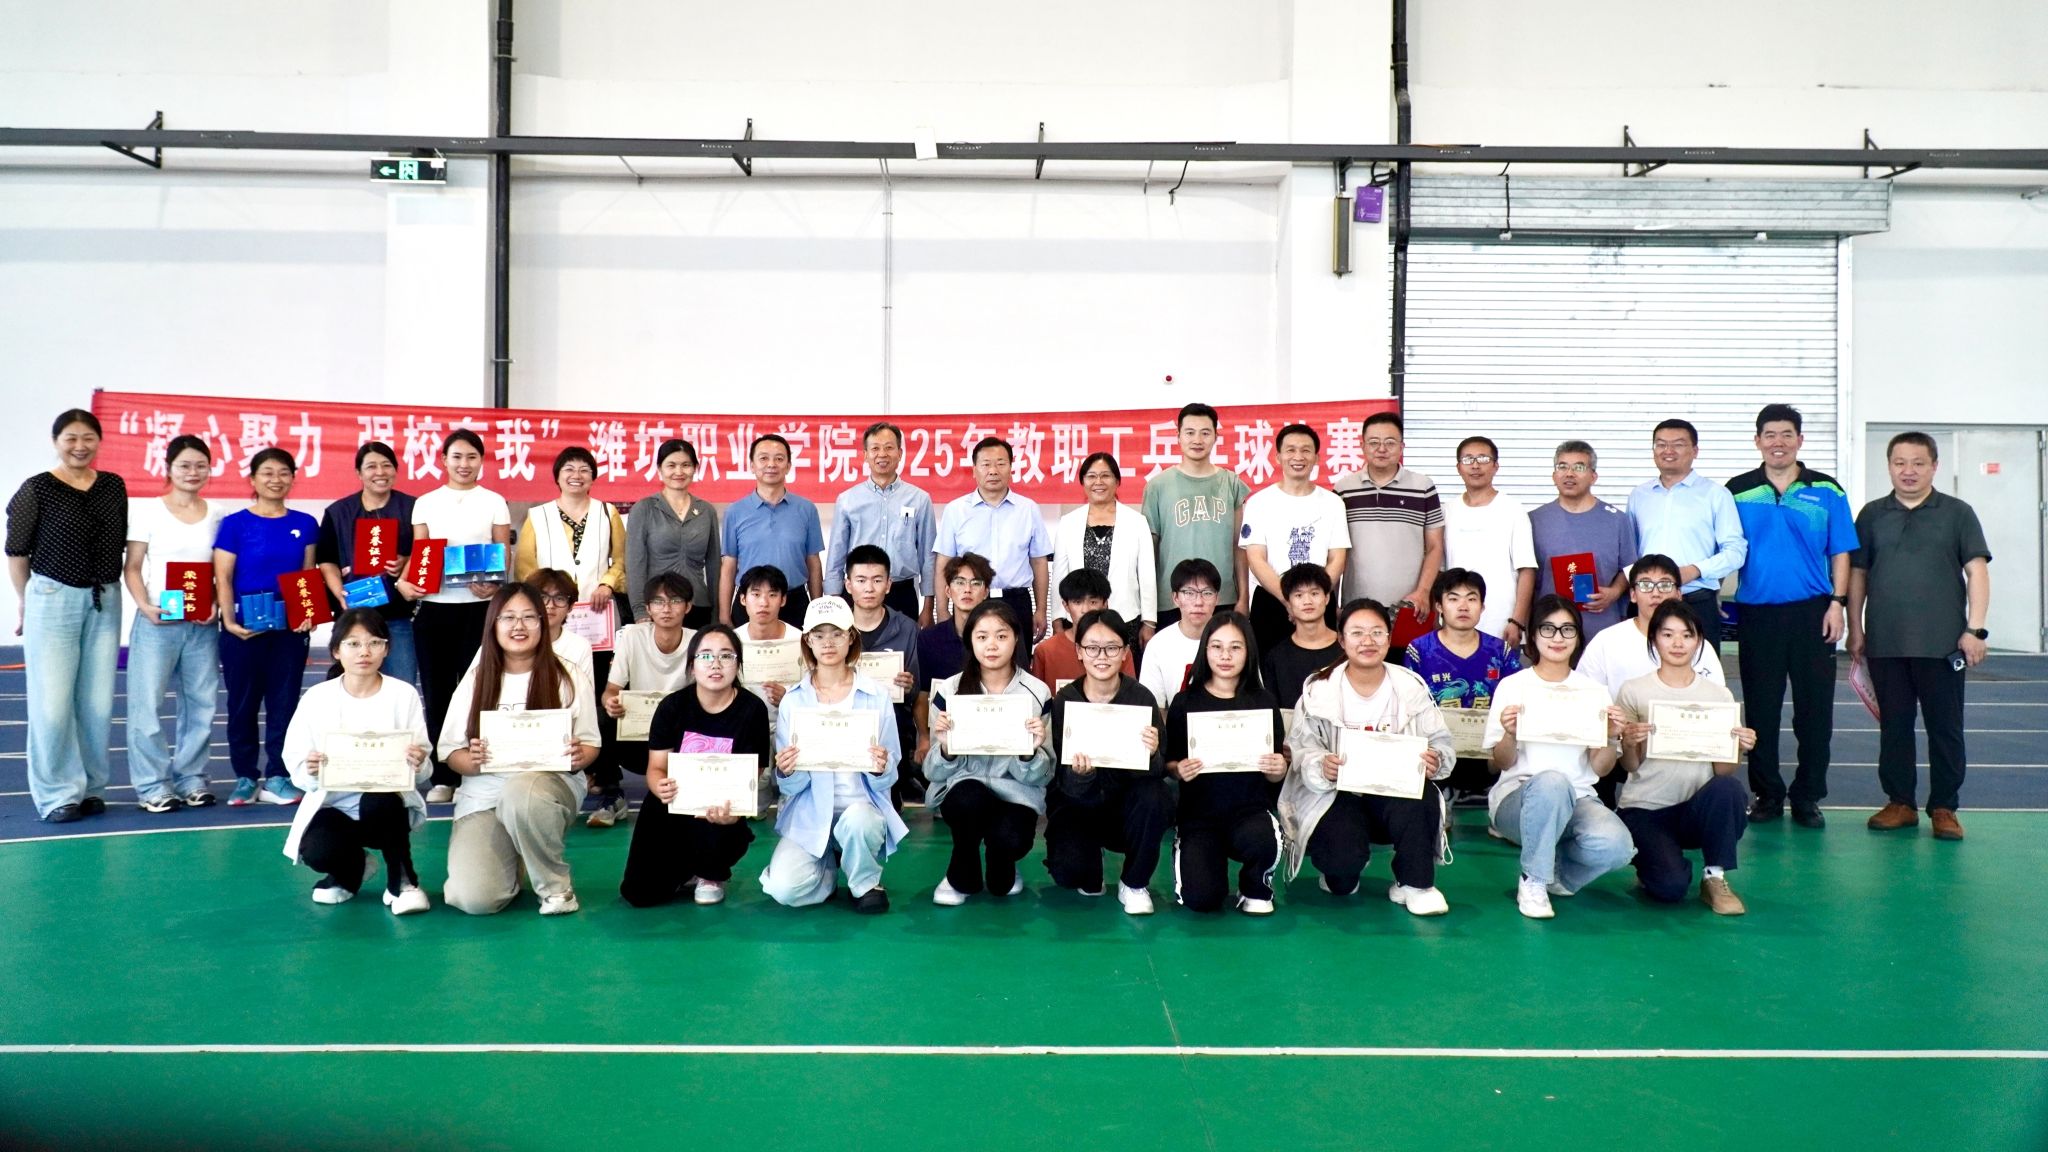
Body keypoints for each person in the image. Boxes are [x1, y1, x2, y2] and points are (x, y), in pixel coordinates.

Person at [1849, 431, 1992, 842]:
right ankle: (1900, 803)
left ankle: (1944, 807)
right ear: (1889, 466)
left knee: (1945, 728)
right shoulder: (1871, 515)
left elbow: (1977, 571)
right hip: (1885, 643)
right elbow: (1858, 573)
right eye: (1899, 463)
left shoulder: (1958, 513)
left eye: (1917, 463)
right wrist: (1855, 628)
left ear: (1934, 466)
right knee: (1894, 727)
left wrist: (1975, 629)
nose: (1908, 471)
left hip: (1944, 645)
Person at [1726, 404, 1859, 828]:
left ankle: (1807, 796)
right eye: (1770, 435)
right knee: (1761, 711)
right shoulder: (1737, 491)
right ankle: (1766, 794)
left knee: (1814, 712)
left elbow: (1841, 551)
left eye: (1786, 434)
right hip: (1757, 615)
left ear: (1800, 440)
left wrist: (1837, 603)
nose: (1778, 443)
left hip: (1813, 613)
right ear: (1757, 441)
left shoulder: (1827, 489)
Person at [1280, 598, 1455, 916]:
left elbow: (1441, 743)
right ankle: (1344, 868)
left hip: (1393, 794)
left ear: (1388, 639)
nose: (1368, 641)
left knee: (1423, 795)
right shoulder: (1318, 690)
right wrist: (1321, 765)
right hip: (1336, 795)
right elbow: (1302, 749)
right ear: (1341, 639)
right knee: (1342, 879)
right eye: (1357, 633)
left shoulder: (1409, 687)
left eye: (1377, 632)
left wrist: (1436, 759)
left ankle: (1415, 883)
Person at [437, 583, 602, 915]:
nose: (519, 626)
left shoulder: (568, 676)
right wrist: (472, 761)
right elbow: (451, 752)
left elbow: (590, 744)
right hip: (485, 794)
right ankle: (518, 854)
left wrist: (578, 756)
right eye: (508, 617)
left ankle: (556, 888)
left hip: (547, 788)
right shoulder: (476, 679)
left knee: (521, 791)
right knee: (474, 900)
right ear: (493, 624)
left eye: (529, 617)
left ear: (542, 623)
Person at [7, 409, 127, 823]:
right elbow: (17, 552)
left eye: (88, 438)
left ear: (99, 441)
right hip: (53, 597)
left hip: (105, 599)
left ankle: (91, 787)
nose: (80, 446)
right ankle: (57, 794)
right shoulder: (36, 488)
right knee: (53, 703)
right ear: (56, 441)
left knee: (96, 703)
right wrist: (27, 601)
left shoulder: (113, 485)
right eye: (71, 438)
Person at [1483, 595, 1635, 920]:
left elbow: (1600, 768)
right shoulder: (1512, 686)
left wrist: (1611, 736)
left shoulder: (1594, 691)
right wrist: (1510, 733)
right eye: (1548, 628)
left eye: (1567, 629)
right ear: (1533, 635)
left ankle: (1558, 876)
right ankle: (1533, 881)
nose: (1557, 638)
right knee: (1552, 782)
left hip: (1578, 799)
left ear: (1578, 637)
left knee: (1618, 847)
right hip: (1518, 800)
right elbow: (1498, 763)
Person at [279, 610, 434, 914]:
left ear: (386, 649)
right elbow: (295, 759)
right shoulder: (317, 698)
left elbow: (423, 763)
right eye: (353, 644)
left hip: (387, 808)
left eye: (374, 642)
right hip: (333, 805)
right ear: (336, 651)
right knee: (317, 850)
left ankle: (403, 881)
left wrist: (418, 763)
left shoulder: (403, 695)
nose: (365, 652)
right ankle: (352, 870)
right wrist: (310, 769)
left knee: (381, 801)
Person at [760, 596, 907, 913]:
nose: (828, 643)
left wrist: (880, 768)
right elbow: (789, 787)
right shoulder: (793, 701)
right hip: (810, 813)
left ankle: (864, 882)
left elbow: (891, 773)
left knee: (859, 821)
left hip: (860, 809)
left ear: (851, 637)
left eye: (837, 633)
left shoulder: (876, 695)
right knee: (784, 889)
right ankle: (828, 869)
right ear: (808, 641)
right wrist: (787, 770)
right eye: (819, 635)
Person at [1615, 600, 1758, 915]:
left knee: (1729, 789)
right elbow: (1630, 766)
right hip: (1646, 808)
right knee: (1670, 888)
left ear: (1699, 640)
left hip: (1694, 809)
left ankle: (1714, 876)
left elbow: (1723, 771)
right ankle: (1651, 863)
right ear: (1654, 639)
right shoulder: (1633, 690)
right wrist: (1630, 741)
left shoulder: (1718, 695)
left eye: (1687, 635)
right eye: (1668, 635)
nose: (1677, 643)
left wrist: (1738, 745)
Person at [619, 625, 766, 908]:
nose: (716, 664)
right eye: (705, 656)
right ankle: (684, 869)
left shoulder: (752, 709)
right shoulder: (672, 707)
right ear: (691, 665)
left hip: (721, 812)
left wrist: (733, 814)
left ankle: (711, 874)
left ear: (738, 664)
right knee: (639, 893)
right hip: (675, 803)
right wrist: (659, 787)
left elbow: (752, 775)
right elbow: (656, 768)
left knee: (719, 828)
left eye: (726, 655)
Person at [924, 599, 1054, 905]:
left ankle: (1002, 857)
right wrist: (946, 748)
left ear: (1016, 638)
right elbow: (932, 771)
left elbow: (1044, 776)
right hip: (963, 789)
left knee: (1003, 874)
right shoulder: (949, 691)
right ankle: (962, 863)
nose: (992, 645)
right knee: (968, 798)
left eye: (1001, 635)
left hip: (1016, 792)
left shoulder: (1037, 693)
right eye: (982, 636)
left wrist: (1029, 753)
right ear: (970, 640)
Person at [121, 433, 223, 812]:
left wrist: (216, 602)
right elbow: (132, 567)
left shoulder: (218, 514)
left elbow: (222, 570)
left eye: (200, 466)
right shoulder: (148, 511)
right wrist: (145, 606)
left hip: (202, 623)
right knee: (146, 705)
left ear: (210, 469)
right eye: (184, 465)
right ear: (168, 468)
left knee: (201, 704)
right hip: (157, 622)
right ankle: (152, 786)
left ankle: (192, 779)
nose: (192, 472)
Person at [1044, 609, 1170, 915]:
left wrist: (1152, 754)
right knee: (1072, 875)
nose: (1102, 656)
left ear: (1125, 652)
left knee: (1156, 797)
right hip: (1080, 806)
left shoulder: (1141, 698)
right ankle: (1090, 858)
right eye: (1092, 648)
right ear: (1079, 651)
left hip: (1125, 807)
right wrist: (1080, 775)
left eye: (1112, 648)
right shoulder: (1065, 700)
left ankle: (1134, 882)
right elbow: (1060, 779)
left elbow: (1159, 769)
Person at [412, 429, 513, 803]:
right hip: (435, 610)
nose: (464, 464)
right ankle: (444, 776)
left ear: (481, 461)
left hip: (480, 611)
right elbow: (422, 555)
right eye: (457, 456)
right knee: (437, 693)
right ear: (443, 460)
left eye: (472, 457)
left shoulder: (494, 501)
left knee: (481, 691)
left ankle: (480, 770)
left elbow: (503, 553)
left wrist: (494, 583)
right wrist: (424, 577)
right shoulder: (426, 503)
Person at [214, 446, 318, 808]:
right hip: (243, 630)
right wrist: (229, 621)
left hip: (289, 631)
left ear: (293, 478)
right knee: (242, 704)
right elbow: (224, 577)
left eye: (284, 473)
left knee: (284, 703)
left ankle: (278, 775)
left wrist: (307, 613)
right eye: (268, 473)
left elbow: (307, 574)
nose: (276, 480)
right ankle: (245, 777)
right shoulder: (235, 524)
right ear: (253, 479)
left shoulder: (305, 523)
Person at [1165, 612, 1289, 915]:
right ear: (1205, 650)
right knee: (1202, 899)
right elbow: (1170, 763)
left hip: (1249, 811)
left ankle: (1254, 887)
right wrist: (1178, 770)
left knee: (1263, 839)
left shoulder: (1263, 702)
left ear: (1249, 652)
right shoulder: (1185, 702)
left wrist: (1279, 770)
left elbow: (1274, 772)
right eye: (1217, 647)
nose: (1225, 656)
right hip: (1199, 817)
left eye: (1235, 647)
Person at [1626, 419, 1747, 655]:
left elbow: (1736, 551)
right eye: (1661, 444)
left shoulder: (1715, 494)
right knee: (1642, 669)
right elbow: (1630, 550)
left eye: (1678, 444)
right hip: (1646, 603)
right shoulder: (1639, 495)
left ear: (1695, 451)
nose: (1668, 451)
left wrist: (1694, 570)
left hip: (1695, 601)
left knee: (1698, 670)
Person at [1332, 411, 1444, 664]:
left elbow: (1435, 546)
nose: (1382, 449)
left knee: (1410, 675)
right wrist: (1334, 604)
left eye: (1390, 442)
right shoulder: (1343, 489)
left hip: (1411, 608)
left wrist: (1423, 592)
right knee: (1362, 672)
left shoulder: (1423, 487)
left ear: (1402, 447)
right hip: (1357, 607)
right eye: (1374, 442)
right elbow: (1336, 550)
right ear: (1362, 446)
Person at [1404, 568, 1521, 804]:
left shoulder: (1500, 651)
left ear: (1482, 607)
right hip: (1437, 752)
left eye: (1471, 599)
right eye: (1454, 599)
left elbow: (1518, 700)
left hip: (1489, 755)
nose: (1463, 606)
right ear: (1439, 606)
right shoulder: (1419, 651)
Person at [315, 441, 421, 689]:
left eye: (386, 465)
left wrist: (405, 562)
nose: (380, 472)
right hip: (352, 615)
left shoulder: (414, 508)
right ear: (359, 473)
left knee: (401, 687)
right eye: (371, 466)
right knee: (351, 688)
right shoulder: (338, 512)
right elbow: (327, 559)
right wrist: (339, 593)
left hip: (398, 616)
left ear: (395, 470)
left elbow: (425, 550)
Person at [1238, 423, 1349, 654]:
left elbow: (1337, 558)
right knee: (1269, 669)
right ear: (1278, 457)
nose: (1298, 457)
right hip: (1271, 599)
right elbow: (1256, 559)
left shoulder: (1333, 503)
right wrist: (1289, 599)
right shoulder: (1258, 502)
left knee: (1324, 668)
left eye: (1306, 450)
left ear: (1317, 458)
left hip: (1319, 603)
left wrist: (1314, 598)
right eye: (1290, 450)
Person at [1142, 403, 1249, 631]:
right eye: (1190, 432)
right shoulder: (1158, 486)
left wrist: (1243, 598)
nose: (1197, 440)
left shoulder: (1231, 483)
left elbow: (1239, 546)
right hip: (1172, 599)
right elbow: (1149, 553)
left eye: (1205, 433)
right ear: (1178, 436)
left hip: (1222, 597)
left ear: (1216, 436)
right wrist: (1148, 613)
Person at [934, 436, 1054, 641]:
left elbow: (1039, 562)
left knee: (1018, 659)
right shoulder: (956, 510)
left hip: (1016, 601)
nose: (993, 471)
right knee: (968, 658)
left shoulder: (1028, 509)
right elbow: (943, 563)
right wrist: (942, 610)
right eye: (986, 464)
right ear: (974, 470)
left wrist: (1041, 609)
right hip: (970, 601)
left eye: (1000, 464)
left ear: (1011, 468)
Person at [824, 422, 937, 623]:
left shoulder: (919, 499)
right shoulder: (848, 499)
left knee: (903, 643)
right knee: (857, 644)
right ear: (865, 455)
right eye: (875, 448)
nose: (882, 454)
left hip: (902, 592)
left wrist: (928, 606)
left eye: (889, 447)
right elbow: (836, 554)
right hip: (858, 591)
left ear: (900, 453)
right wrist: (834, 602)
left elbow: (928, 557)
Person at [603, 571, 698, 811]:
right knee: (602, 718)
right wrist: (611, 702)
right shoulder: (633, 636)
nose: (666, 609)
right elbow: (611, 690)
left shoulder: (698, 641)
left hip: (678, 734)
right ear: (648, 608)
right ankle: (611, 794)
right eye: (658, 602)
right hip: (637, 734)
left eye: (675, 601)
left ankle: (695, 788)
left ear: (688, 607)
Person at [842, 543, 924, 805]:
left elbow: (916, 693)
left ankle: (893, 790)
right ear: (848, 585)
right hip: (844, 716)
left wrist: (908, 686)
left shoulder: (907, 628)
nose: (869, 588)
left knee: (895, 720)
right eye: (861, 580)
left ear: (889, 585)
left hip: (892, 717)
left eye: (877, 580)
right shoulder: (835, 629)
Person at [1528, 440, 1636, 638]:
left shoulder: (1617, 520)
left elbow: (1630, 568)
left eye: (1579, 467)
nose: (1569, 473)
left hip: (1602, 628)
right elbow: (1525, 577)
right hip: (1550, 631)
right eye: (1562, 466)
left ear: (1593, 476)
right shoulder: (1533, 520)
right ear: (1554, 475)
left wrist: (1614, 592)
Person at [1578, 554, 1727, 697]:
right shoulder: (1606, 642)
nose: (1656, 593)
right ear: (1633, 595)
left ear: (1678, 594)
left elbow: (1718, 701)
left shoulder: (1698, 646)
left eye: (1665, 585)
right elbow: (1585, 697)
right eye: (1646, 585)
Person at [718, 433, 823, 628]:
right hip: (750, 602)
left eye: (779, 459)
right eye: (764, 458)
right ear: (752, 465)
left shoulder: (806, 509)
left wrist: (818, 609)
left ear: (788, 466)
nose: (771, 464)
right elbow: (729, 566)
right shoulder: (735, 511)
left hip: (795, 602)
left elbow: (813, 563)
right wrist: (724, 615)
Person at [1440, 436, 1536, 649]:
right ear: (1458, 467)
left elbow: (1527, 569)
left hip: (1501, 623)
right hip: (1454, 624)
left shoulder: (1513, 510)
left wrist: (1517, 621)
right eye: (1468, 459)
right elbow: (1439, 570)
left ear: (1495, 466)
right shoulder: (1447, 511)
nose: (1475, 465)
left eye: (1483, 458)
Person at [1050, 451, 1157, 639]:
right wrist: (1057, 619)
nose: (1098, 482)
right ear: (1083, 482)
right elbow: (1060, 574)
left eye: (1105, 476)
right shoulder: (1068, 522)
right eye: (1091, 476)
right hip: (1077, 620)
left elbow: (1147, 574)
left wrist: (1149, 622)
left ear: (1117, 481)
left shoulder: (1137, 522)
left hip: (1125, 617)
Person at [627, 438, 720, 629]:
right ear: (660, 470)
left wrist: (718, 612)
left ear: (695, 468)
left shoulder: (706, 510)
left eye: (686, 465)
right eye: (671, 465)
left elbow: (714, 567)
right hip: (658, 608)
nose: (679, 472)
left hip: (698, 605)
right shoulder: (644, 509)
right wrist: (640, 611)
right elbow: (635, 564)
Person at [1031, 567, 1136, 689]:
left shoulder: (1117, 649)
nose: (1085, 610)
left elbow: (1130, 695)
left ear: (1105, 604)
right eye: (1077, 602)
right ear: (1065, 605)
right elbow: (1037, 697)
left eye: (1093, 602)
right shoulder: (1046, 651)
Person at [1137, 558, 1221, 709]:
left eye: (1207, 593)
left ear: (1217, 598)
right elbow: (1155, 710)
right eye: (1189, 593)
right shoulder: (1158, 645)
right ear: (1175, 598)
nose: (1198, 602)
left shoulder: (1234, 641)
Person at [1260, 564, 1342, 712]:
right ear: (1288, 603)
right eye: (1299, 595)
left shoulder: (1347, 648)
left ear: (1327, 598)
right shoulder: (1276, 657)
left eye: (1314, 593)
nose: (1307, 601)